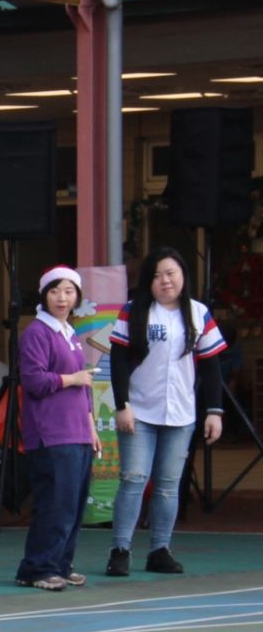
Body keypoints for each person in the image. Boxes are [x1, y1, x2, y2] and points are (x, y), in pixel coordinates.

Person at [105, 246, 226, 576]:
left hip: (181, 414)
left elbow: (211, 365)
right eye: (157, 275)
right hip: (139, 411)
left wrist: (214, 411)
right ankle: (120, 550)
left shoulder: (199, 313)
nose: (165, 281)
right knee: (133, 480)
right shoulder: (134, 311)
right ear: (149, 281)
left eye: (171, 273)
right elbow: (118, 360)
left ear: (183, 276)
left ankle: (160, 550)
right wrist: (122, 405)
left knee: (169, 485)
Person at [15, 266, 103, 591]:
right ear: (44, 295)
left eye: (68, 291)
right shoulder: (37, 333)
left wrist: (91, 427)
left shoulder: (69, 332)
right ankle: (39, 568)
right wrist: (72, 379)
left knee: (74, 504)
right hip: (52, 433)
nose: (62, 298)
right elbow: (34, 380)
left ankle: (61, 564)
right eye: (54, 291)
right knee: (55, 502)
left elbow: (85, 389)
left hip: (76, 431)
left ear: (77, 296)